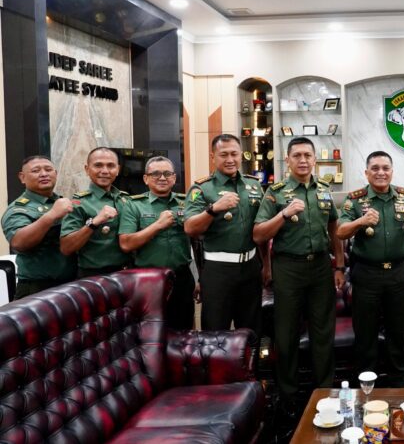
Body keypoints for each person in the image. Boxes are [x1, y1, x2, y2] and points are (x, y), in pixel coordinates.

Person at [253, 136, 345, 413]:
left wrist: (339, 265)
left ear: (315, 159)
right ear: (288, 160)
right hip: (288, 268)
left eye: (308, 155)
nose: (303, 160)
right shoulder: (276, 193)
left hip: (319, 267)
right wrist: (283, 214)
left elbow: (334, 229)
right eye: (297, 156)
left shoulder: (325, 190)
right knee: (286, 332)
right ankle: (289, 394)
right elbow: (258, 234)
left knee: (322, 331)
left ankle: (324, 391)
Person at [337, 150, 404, 386]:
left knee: (398, 331)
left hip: (398, 272)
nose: (380, 172)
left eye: (385, 168)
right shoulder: (355, 200)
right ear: (366, 173)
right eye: (375, 168)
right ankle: (367, 383)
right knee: (366, 333)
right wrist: (360, 221)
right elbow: (340, 231)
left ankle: (399, 382)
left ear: (392, 171)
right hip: (366, 273)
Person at [184, 134, 265, 334]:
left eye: (234, 154)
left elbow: (261, 228)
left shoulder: (254, 185)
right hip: (218, 269)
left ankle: (249, 365)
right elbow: (190, 228)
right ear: (213, 157)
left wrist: (267, 266)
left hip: (251, 267)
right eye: (223, 155)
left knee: (251, 328)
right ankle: (217, 366)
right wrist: (213, 209)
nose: (230, 159)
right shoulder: (201, 188)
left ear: (241, 156)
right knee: (215, 330)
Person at [119, 156, 197, 329]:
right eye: (156, 174)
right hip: (148, 280)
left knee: (183, 331)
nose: (162, 178)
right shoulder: (134, 205)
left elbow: (198, 241)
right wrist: (158, 226)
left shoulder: (186, 203)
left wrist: (202, 279)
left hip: (181, 278)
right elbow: (126, 244)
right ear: (146, 179)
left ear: (174, 178)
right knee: (149, 333)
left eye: (167, 173)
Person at [1, 155, 77, 298]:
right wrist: (51, 216)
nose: (43, 174)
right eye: (36, 171)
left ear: (56, 174)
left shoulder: (62, 202)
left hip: (70, 283)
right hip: (37, 287)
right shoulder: (18, 209)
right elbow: (19, 243)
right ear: (22, 177)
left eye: (48, 169)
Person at [60, 147, 131, 277]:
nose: (104, 171)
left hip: (127, 274)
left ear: (118, 170)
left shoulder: (127, 200)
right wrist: (94, 222)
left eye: (110, 166)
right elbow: (66, 247)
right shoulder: (79, 203)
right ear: (87, 169)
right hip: (93, 277)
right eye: (98, 165)